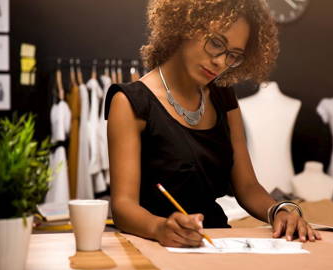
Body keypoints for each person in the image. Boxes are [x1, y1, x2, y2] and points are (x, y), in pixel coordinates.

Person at [105, 0, 321, 248]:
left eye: (234, 56)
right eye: (216, 43)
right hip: (157, 245)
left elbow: (247, 187)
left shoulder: (223, 97)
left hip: (216, 243)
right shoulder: (130, 102)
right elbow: (123, 206)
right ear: (185, 26)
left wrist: (279, 211)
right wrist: (159, 228)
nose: (221, 62)